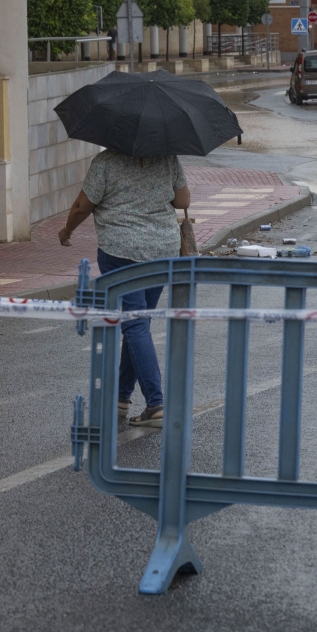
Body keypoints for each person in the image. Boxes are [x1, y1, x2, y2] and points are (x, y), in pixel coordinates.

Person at [58, 151, 190, 428]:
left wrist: (67, 230)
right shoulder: (166, 158)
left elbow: (83, 205)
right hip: (162, 250)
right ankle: (120, 399)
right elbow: (183, 200)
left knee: (134, 324)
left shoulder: (105, 162)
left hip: (121, 250)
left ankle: (155, 405)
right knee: (139, 323)